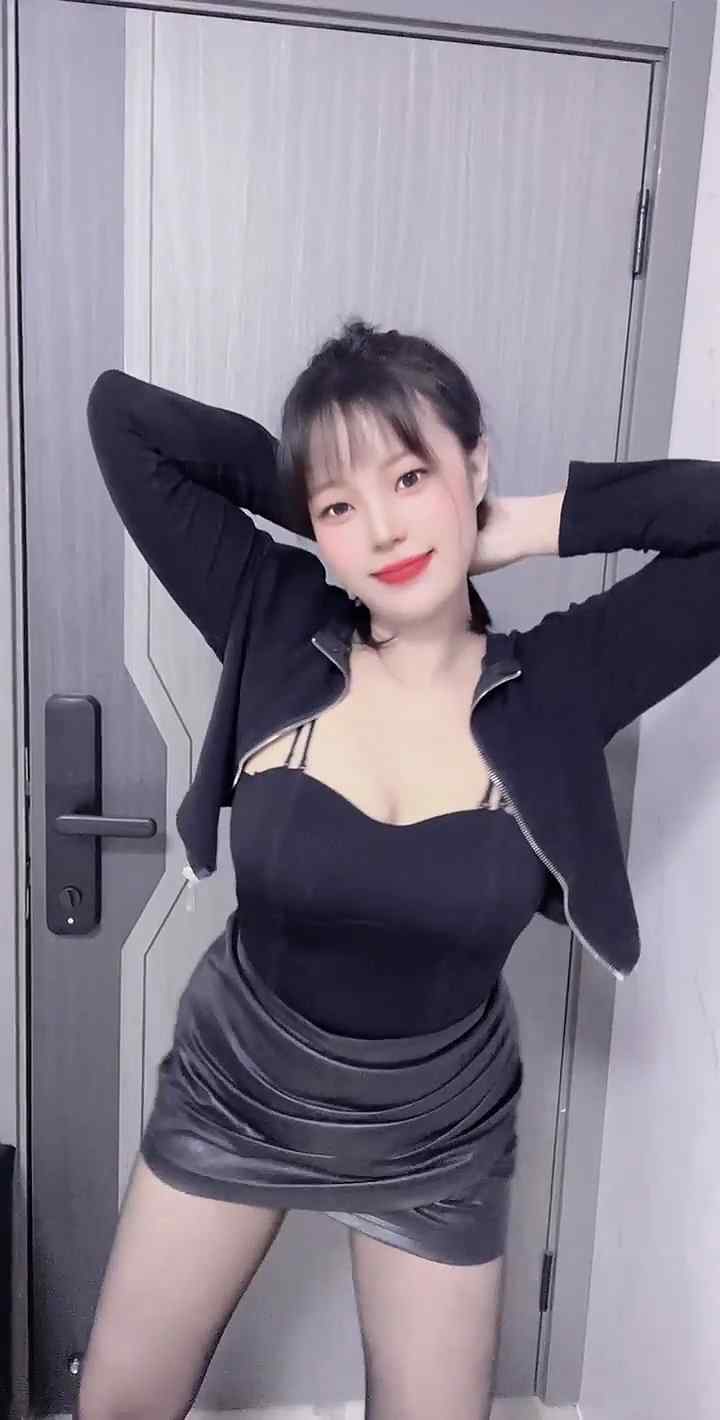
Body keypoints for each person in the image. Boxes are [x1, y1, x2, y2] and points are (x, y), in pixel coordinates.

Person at [77, 318, 720, 1420]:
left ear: (475, 463)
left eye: (412, 476)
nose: (383, 527)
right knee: (120, 1407)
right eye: (341, 505)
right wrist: (334, 508)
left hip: (440, 1129)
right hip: (238, 1086)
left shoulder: (564, 681)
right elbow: (123, 420)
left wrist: (519, 524)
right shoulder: (272, 615)